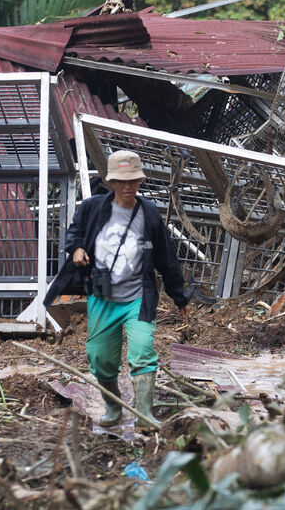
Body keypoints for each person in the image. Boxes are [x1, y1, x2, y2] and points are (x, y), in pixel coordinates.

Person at [44, 150, 190, 429]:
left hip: (138, 298)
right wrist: (76, 248)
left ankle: (145, 414)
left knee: (143, 352)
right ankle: (113, 407)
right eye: (121, 180)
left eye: (133, 180)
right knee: (100, 357)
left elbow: (166, 257)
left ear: (140, 180)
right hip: (102, 297)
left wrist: (180, 297)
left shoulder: (148, 213)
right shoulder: (93, 208)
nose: (127, 186)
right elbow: (74, 232)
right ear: (111, 181)